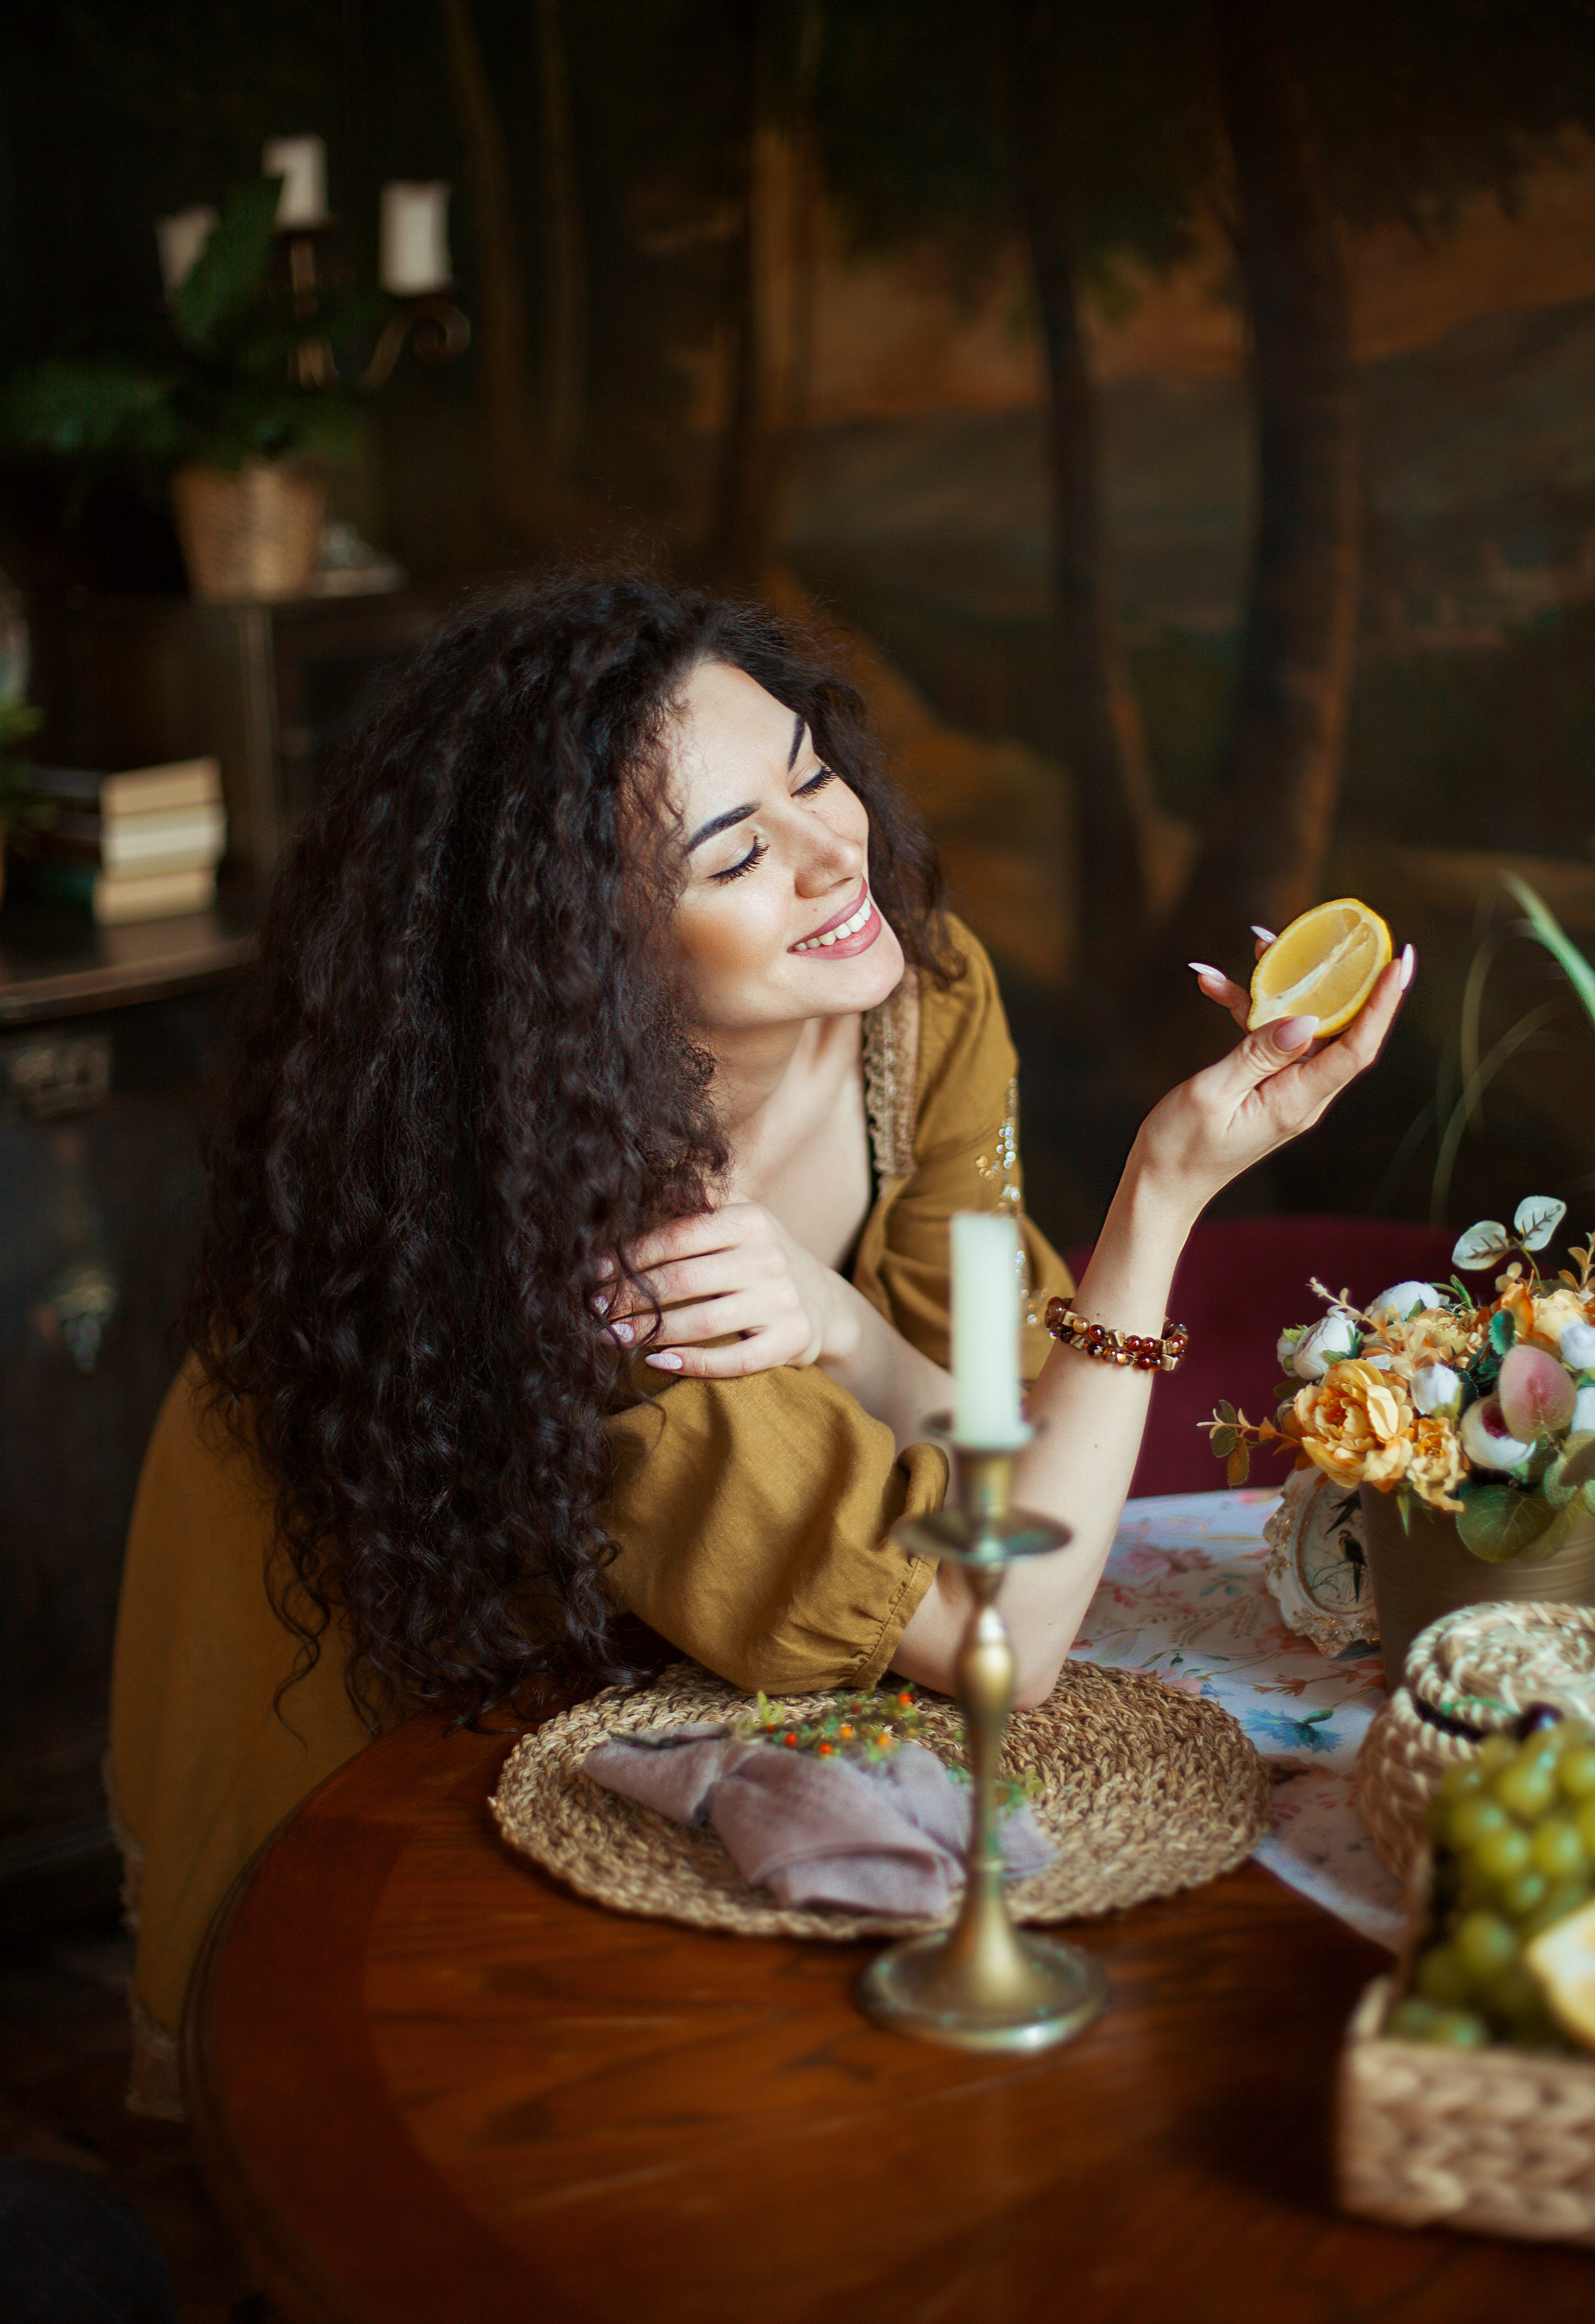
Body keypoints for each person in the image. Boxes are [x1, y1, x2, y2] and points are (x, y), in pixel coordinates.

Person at [108, 575, 1408, 2103]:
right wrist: (1162, 1193)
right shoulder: (581, 1228)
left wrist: (840, 1323)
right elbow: (1010, 1624)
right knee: (380, 2076)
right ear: (583, 956)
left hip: (653, 1647)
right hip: (380, 1616)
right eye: (733, 853)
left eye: (812, 773)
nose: (829, 857)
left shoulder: (917, 1000)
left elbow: (997, 1436)